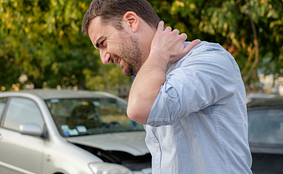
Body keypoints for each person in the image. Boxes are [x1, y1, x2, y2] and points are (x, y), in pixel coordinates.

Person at [82, 0, 252, 173]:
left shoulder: (208, 59)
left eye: (103, 43)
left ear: (131, 21)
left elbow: (139, 108)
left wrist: (158, 53)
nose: (104, 59)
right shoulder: (151, 74)